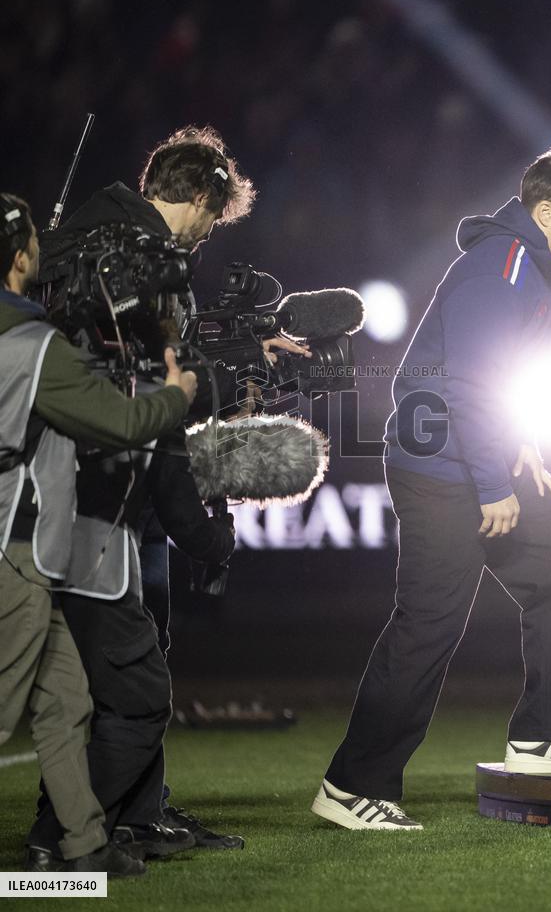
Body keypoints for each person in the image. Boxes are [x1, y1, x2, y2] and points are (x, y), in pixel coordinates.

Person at [312, 149, 551, 831]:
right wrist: (493, 484)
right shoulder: (505, 266)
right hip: (442, 472)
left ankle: (545, 738)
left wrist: (524, 446)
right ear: (546, 213)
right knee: (428, 626)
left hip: (475, 460)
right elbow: (473, 385)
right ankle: (350, 787)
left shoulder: (527, 267)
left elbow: (504, 379)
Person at [28, 126, 310, 859]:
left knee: (95, 685)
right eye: (215, 218)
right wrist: (206, 532)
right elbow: (153, 406)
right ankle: (63, 845)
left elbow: (142, 368)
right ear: (203, 198)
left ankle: (125, 820)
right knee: (129, 685)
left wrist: (238, 354)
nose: (210, 235)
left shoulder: (91, 242)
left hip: (56, 505)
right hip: (100, 507)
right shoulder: (144, 259)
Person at [0, 193, 197, 874]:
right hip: (12, 551)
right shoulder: (30, 344)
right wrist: (180, 393)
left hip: (28, 551)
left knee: (67, 703)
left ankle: (79, 848)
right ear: (21, 259)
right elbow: (120, 424)